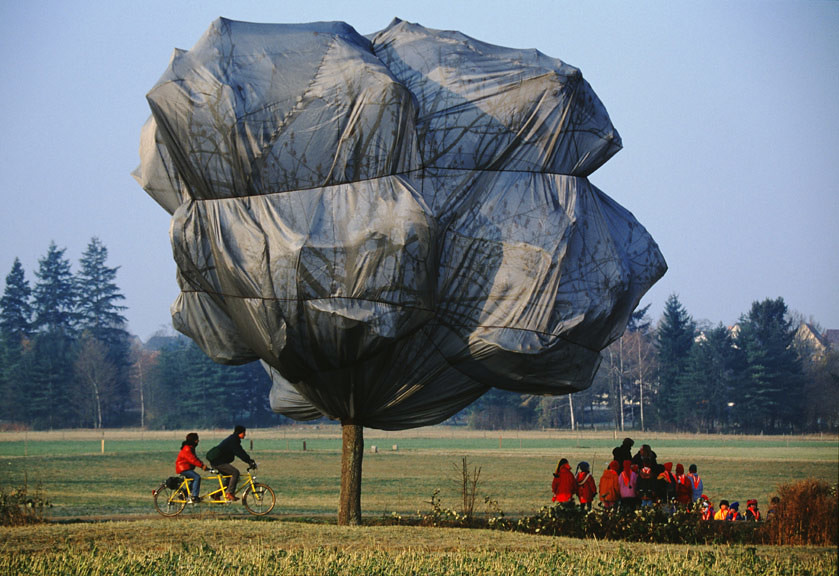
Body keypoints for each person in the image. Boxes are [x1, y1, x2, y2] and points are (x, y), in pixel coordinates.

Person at [206, 425, 256, 501]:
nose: (245, 434)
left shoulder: (233, 439)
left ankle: (216, 495)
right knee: (235, 473)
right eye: (244, 433)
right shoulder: (233, 440)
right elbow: (240, 453)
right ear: (240, 433)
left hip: (218, 461)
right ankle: (229, 493)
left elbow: (240, 452)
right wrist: (249, 461)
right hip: (218, 462)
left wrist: (249, 460)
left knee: (230, 478)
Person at [175, 432, 207, 503]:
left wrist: (202, 465)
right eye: (196, 439)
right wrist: (202, 466)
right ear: (193, 440)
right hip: (183, 468)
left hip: (185, 467)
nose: (198, 441)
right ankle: (195, 497)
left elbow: (195, 458)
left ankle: (183, 494)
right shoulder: (187, 449)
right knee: (197, 477)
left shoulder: (190, 447)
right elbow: (192, 459)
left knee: (193, 481)